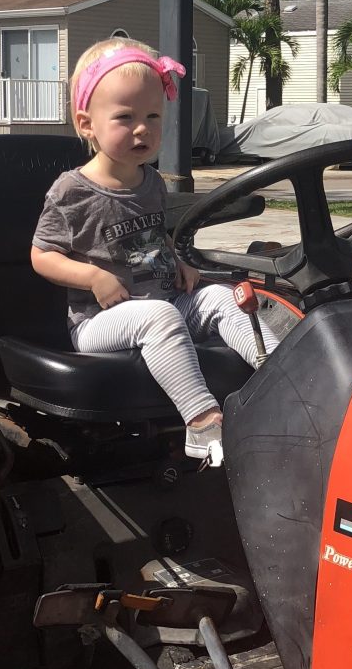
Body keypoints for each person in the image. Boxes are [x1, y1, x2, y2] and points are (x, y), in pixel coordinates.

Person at [31, 38, 279, 467]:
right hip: (99, 322)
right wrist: (93, 277)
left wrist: (177, 260)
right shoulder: (71, 190)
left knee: (223, 295)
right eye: (125, 117)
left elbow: (151, 237)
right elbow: (41, 255)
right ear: (87, 123)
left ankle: (283, 376)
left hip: (162, 300)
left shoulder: (150, 182)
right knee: (160, 317)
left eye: (152, 116)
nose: (142, 129)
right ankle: (202, 422)